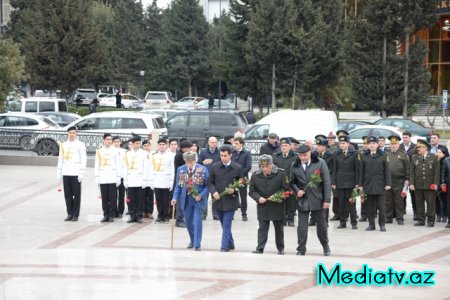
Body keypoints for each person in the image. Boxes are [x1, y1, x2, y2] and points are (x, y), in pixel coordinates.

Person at [290, 144, 331, 256]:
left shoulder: (320, 162)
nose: (303, 158)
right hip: (302, 200)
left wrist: (327, 200)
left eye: (305, 155)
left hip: (318, 199)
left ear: (310, 152)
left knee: (321, 226)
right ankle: (301, 249)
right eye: (300, 155)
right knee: (302, 227)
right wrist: (297, 190)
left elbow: (327, 182)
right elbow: (292, 182)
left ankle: (325, 245)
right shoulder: (295, 164)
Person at [249, 155, 287, 255]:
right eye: (262, 166)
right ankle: (260, 248)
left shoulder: (281, 174)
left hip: (277, 205)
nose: (264, 169)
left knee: (279, 229)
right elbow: (252, 191)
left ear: (271, 164)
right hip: (263, 205)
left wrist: (276, 196)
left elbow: (286, 189)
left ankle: (280, 248)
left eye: (267, 166)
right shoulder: (255, 175)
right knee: (262, 228)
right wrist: (258, 198)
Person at [208, 145, 244, 252]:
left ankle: (224, 246)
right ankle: (231, 243)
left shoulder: (237, 168)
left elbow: (242, 183)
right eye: (221, 155)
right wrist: (213, 191)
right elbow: (210, 182)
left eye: (225, 156)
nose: (223, 158)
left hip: (231, 201)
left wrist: (234, 190)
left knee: (227, 224)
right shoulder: (215, 167)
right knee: (223, 224)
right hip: (218, 200)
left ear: (230, 155)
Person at [171, 152, 209, 250]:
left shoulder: (203, 169)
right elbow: (178, 186)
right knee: (188, 222)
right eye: (187, 162)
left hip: (198, 200)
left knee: (197, 221)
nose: (189, 164)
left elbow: (208, 186)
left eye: (191, 162)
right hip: (186, 199)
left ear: (195, 160)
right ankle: (192, 240)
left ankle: (197, 244)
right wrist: (174, 198)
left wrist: (201, 195)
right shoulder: (181, 169)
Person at [359, 136, 392, 232]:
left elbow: (387, 170)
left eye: (374, 143)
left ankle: (382, 225)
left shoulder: (383, 155)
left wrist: (388, 183)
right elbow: (361, 171)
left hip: (380, 184)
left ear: (377, 145)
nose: (372, 145)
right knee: (369, 207)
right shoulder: (364, 156)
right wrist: (360, 185)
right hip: (368, 184)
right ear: (367, 145)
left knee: (381, 207)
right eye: (370, 143)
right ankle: (371, 224)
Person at [57, 126, 87, 222]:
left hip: (76, 173)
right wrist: (59, 172)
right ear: (67, 133)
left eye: (73, 132)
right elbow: (60, 159)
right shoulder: (63, 145)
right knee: (68, 195)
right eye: (70, 132)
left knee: (76, 195)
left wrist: (81, 172)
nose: (71, 134)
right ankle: (69, 213)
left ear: (76, 134)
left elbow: (83, 159)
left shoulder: (80, 145)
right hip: (66, 172)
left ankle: (75, 214)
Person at [410, 139, 440, 227]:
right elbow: (412, 172)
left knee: (430, 204)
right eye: (418, 147)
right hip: (418, 185)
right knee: (419, 204)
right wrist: (411, 183)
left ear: (425, 148)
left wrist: (435, 183)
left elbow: (436, 172)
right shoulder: (414, 157)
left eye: (420, 147)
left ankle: (431, 221)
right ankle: (421, 220)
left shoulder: (433, 157)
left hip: (429, 185)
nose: (418, 149)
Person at [332, 133, 360, 229]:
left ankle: (353, 222)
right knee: (341, 203)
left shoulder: (355, 153)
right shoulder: (336, 153)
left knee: (351, 203)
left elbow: (357, 169)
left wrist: (357, 183)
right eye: (340, 143)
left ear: (348, 144)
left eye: (344, 143)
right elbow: (334, 169)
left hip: (351, 182)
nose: (342, 145)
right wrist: (334, 182)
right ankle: (342, 222)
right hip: (340, 182)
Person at [144, 138, 175, 223]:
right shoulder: (154, 156)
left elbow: (172, 169)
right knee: (158, 200)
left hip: (166, 180)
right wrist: (151, 181)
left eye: (163, 145)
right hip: (157, 180)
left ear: (166, 145)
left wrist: (172, 181)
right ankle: (160, 215)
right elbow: (151, 169)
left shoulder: (171, 155)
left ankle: (166, 216)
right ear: (157, 146)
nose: (162, 146)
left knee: (166, 200)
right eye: (160, 145)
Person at [95, 133, 122, 222]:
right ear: (103, 140)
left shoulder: (115, 150)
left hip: (112, 177)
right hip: (103, 177)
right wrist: (97, 177)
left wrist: (118, 177)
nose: (109, 141)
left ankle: (111, 215)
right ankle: (105, 214)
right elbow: (97, 165)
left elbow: (118, 165)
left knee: (113, 198)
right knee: (104, 198)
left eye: (110, 139)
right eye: (107, 139)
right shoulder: (99, 151)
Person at [385, 135, 410, 225]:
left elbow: (408, 168)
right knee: (388, 200)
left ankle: (400, 218)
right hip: (388, 181)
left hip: (399, 181)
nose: (393, 145)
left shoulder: (403, 154)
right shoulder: (386, 154)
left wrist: (407, 179)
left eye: (395, 144)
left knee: (399, 200)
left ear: (398, 144)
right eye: (392, 144)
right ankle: (388, 217)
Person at [272, 137, 297, 227]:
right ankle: (283, 219)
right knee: (281, 202)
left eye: (286, 145)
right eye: (282, 146)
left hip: (291, 183)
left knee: (291, 202)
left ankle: (290, 219)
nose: (283, 147)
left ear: (290, 146)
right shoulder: (275, 157)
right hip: (280, 183)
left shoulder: (295, 157)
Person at [123, 136, 146, 223]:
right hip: (130, 179)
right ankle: (132, 215)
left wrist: (144, 179)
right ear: (131, 144)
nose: (138, 145)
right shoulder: (127, 154)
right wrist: (125, 179)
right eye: (136, 143)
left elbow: (146, 167)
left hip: (140, 179)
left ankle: (139, 216)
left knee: (140, 199)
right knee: (131, 199)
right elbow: (125, 167)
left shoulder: (143, 153)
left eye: (139, 143)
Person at [312, 134, 335, 225]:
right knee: (313, 199)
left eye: (319, 145)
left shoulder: (331, 155)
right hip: (315, 181)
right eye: (317, 145)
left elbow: (333, 169)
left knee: (325, 200)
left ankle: (325, 221)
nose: (317, 147)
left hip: (325, 181)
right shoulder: (314, 154)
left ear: (325, 146)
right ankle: (313, 219)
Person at [198, 136, 221, 219]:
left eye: (216, 142)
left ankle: (215, 214)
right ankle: (203, 214)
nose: (214, 144)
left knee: (215, 196)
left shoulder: (219, 152)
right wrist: (203, 162)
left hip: (215, 177)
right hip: (205, 177)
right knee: (204, 196)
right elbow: (198, 163)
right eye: (212, 142)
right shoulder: (203, 152)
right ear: (208, 143)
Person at [173, 140, 194, 227]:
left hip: (189, 178)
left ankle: (185, 218)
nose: (189, 149)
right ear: (183, 148)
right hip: (182, 178)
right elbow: (181, 169)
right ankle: (179, 219)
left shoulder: (188, 155)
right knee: (181, 200)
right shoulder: (179, 156)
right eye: (188, 148)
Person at [232, 136, 252, 221]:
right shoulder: (232, 152)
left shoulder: (247, 153)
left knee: (243, 197)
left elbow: (248, 167)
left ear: (242, 144)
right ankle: (231, 213)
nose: (235, 145)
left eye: (236, 144)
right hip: (233, 178)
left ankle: (244, 214)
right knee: (233, 196)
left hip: (243, 178)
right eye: (234, 143)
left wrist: (240, 174)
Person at [141, 140, 155, 219]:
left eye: (148, 145)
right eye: (145, 146)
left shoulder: (154, 154)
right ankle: (143, 211)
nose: (146, 147)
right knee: (142, 196)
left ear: (150, 146)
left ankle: (150, 212)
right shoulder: (141, 154)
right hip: (143, 178)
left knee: (150, 196)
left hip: (151, 178)